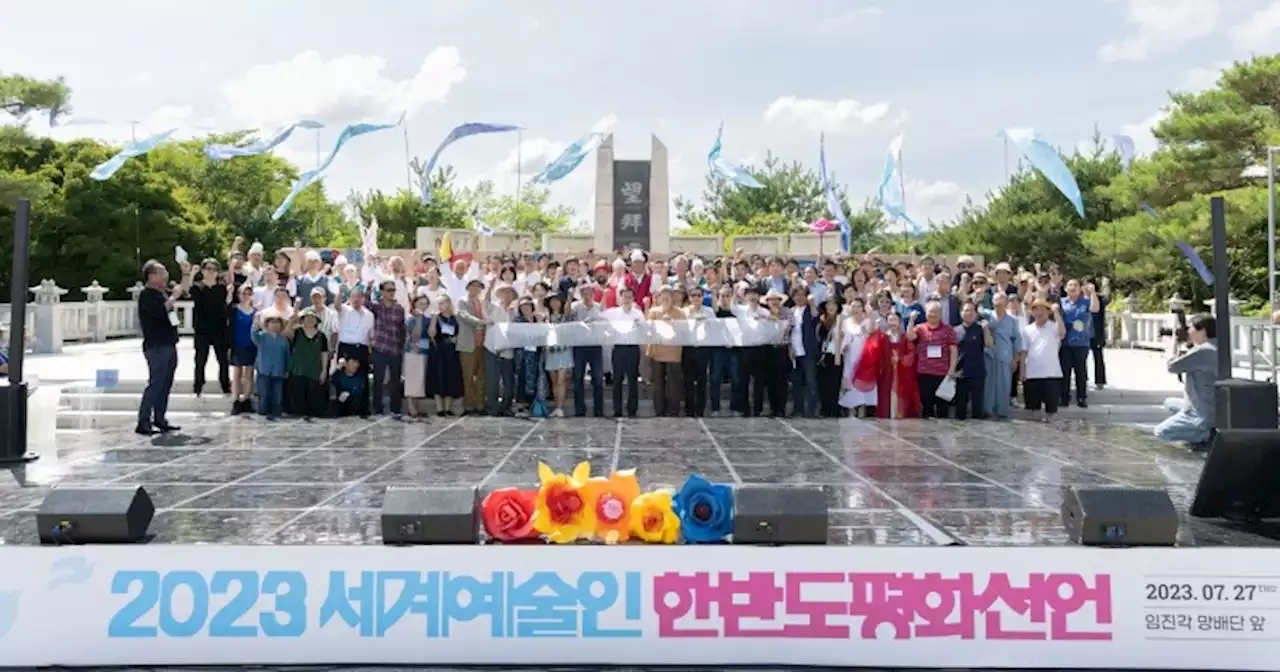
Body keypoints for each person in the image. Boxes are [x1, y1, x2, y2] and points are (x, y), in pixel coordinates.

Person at [136, 259, 193, 435]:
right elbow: (160, 310)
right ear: (151, 276)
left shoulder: (162, 293)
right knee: (156, 383)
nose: (165, 276)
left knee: (166, 383)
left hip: (169, 343)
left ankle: (159, 418)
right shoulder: (147, 295)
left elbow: (183, 291)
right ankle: (143, 420)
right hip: (156, 346)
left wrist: (186, 274)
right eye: (162, 273)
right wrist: (173, 297)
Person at [1155, 314, 1218, 452]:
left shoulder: (1203, 351)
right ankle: (1197, 432)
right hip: (1211, 407)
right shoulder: (1216, 346)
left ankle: (1204, 435)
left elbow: (1172, 367)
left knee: (1160, 432)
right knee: (1169, 403)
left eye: (1190, 328)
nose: (1188, 331)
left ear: (1202, 331)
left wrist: (1171, 346)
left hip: (1200, 413)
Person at [188, 258, 231, 397]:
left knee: (223, 359)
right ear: (203, 271)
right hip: (202, 328)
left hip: (219, 328)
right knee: (200, 359)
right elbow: (189, 292)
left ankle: (225, 385)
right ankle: (198, 387)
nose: (211, 272)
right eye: (208, 269)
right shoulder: (197, 286)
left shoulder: (222, 287)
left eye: (214, 269)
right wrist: (191, 275)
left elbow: (227, 302)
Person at [908, 301, 957, 419]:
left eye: (936, 312)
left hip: (942, 373)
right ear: (926, 313)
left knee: (942, 408)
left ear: (940, 314)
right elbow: (910, 337)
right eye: (930, 312)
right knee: (926, 406)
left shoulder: (948, 330)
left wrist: (952, 369)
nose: (933, 315)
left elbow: (953, 350)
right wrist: (911, 321)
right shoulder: (920, 328)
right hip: (924, 373)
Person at [602, 287, 645, 418]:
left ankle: (632, 409)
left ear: (633, 299)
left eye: (629, 297)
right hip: (618, 348)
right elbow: (599, 316)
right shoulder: (613, 313)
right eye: (624, 297)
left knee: (632, 380)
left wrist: (639, 325)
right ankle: (617, 410)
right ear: (620, 298)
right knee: (617, 380)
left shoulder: (638, 313)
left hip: (633, 348)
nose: (627, 300)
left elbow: (645, 329)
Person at [1021, 299, 1066, 420]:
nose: (1039, 312)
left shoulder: (1054, 327)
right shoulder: (1027, 330)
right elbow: (1024, 352)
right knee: (1032, 409)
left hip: (1051, 374)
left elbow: (1062, 333)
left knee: (1051, 409)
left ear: (1047, 311)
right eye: (1035, 309)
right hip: (1032, 373)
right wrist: (1022, 372)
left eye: (1042, 309)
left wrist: (1056, 313)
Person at [1058, 279, 1100, 408]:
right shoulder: (1061, 302)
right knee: (1065, 372)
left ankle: (1081, 397)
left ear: (1080, 288)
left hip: (1081, 342)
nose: (1073, 287)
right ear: (1065, 288)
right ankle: (1064, 397)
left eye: (1075, 285)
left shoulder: (1085, 301)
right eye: (1070, 285)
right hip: (1065, 342)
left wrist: (1093, 293)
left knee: (1080, 371)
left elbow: (1095, 309)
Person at [369, 279, 407, 418]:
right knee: (378, 380)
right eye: (389, 290)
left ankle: (395, 408)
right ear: (382, 292)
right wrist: (368, 288)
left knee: (395, 380)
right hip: (380, 347)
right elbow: (365, 303)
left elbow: (402, 329)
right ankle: (378, 408)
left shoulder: (399, 309)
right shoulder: (377, 306)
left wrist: (402, 346)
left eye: (393, 290)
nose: (392, 293)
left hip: (395, 348)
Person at [647, 286, 685, 417]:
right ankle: (659, 410)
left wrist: (673, 322)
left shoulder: (680, 313)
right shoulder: (653, 312)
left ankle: (673, 410)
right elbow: (649, 330)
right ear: (659, 298)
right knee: (658, 383)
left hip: (673, 353)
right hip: (658, 352)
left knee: (673, 384)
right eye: (663, 296)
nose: (666, 298)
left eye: (668, 295)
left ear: (672, 297)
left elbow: (684, 330)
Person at [838, 297, 877, 417]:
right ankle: (851, 410)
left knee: (862, 382)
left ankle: (862, 409)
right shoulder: (846, 322)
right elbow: (842, 338)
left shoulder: (867, 321)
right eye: (853, 306)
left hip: (865, 356)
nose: (856, 309)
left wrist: (870, 317)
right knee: (850, 382)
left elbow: (871, 332)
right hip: (850, 355)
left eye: (858, 306)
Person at [570, 284, 605, 417]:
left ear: (593, 295)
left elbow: (604, 323)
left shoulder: (598, 307)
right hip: (579, 346)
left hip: (595, 345)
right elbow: (568, 314)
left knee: (598, 379)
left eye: (590, 294)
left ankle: (598, 409)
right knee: (578, 378)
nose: (587, 296)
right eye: (584, 294)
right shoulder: (575, 306)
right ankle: (579, 409)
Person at [286, 308, 329, 419]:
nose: (310, 320)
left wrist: (324, 370)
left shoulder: (321, 336)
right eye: (307, 318)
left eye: (312, 318)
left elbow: (324, 353)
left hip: (314, 370)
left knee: (313, 399)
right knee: (298, 399)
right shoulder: (297, 332)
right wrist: (292, 320)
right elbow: (286, 334)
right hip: (298, 370)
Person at [455, 279, 490, 416]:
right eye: (473, 286)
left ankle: (480, 404)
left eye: (479, 287)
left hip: (482, 344)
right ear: (468, 287)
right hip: (468, 344)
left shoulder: (482, 303)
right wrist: (481, 322)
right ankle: (469, 404)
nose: (476, 289)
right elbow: (463, 315)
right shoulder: (462, 301)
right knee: (468, 376)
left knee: (481, 376)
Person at [952, 301, 991, 420]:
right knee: (960, 410)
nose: (968, 313)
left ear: (975, 314)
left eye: (971, 311)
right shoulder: (955, 331)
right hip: (960, 374)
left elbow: (989, 344)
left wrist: (986, 329)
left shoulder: (980, 329)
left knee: (977, 408)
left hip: (977, 372)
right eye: (966, 310)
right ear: (961, 313)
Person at [484, 283, 517, 417]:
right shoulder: (494, 308)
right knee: (493, 379)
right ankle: (492, 407)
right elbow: (485, 302)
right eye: (504, 292)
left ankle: (506, 406)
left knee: (508, 380)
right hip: (491, 348)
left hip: (508, 350)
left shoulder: (515, 311)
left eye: (509, 293)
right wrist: (490, 287)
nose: (507, 295)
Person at [428, 295, 464, 416]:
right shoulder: (436, 318)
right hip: (439, 350)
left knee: (450, 378)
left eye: (443, 303)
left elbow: (459, 332)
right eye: (439, 303)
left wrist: (456, 339)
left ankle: (448, 408)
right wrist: (433, 320)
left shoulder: (455, 318)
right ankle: (439, 408)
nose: (441, 306)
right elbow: (431, 334)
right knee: (438, 378)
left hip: (451, 351)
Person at [251, 313, 290, 420]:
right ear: (267, 325)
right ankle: (263, 413)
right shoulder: (262, 337)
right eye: (272, 322)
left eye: (277, 323)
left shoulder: (283, 340)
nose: (275, 325)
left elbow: (287, 356)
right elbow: (253, 335)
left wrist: (287, 369)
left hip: (279, 371)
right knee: (263, 394)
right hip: (264, 371)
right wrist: (255, 323)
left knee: (277, 396)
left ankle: (276, 412)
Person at [543, 294, 574, 418]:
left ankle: (560, 407)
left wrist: (570, 298)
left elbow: (568, 311)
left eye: (557, 301)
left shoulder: (566, 316)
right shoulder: (546, 317)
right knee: (554, 381)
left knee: (561, 379)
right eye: (552, 301)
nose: (555, 304)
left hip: (564, 350)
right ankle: (556, 406)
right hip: (550, 351)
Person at [403, 295, 432, 419]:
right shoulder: (411, 318)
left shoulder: (427, 319)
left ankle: (417, 406)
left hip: (424, 351)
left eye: (425, 303)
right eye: (421, 303)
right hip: (413, 351)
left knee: (420, 380)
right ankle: (411, 408)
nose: (423, 306)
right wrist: (418, 318)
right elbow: (415, 335)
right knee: (412, 379)